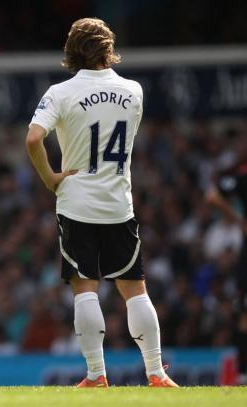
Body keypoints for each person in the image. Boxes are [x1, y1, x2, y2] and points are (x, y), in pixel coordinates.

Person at [25, 17, 178, 387]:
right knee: (134, 287)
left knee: (84, 285)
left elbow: (33, 139)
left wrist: (50, 177)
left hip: (76, 202)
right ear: (108, 48)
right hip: (117, 203)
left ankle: (96, 374)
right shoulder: (134, 91)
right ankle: (156, 372)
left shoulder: (60, 92)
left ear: (71, 50)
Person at [206, 135, 247, 385]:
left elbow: (212, 196)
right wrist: (238, 219)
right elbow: (212, 195)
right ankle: (243, 373)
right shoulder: (242, 175)